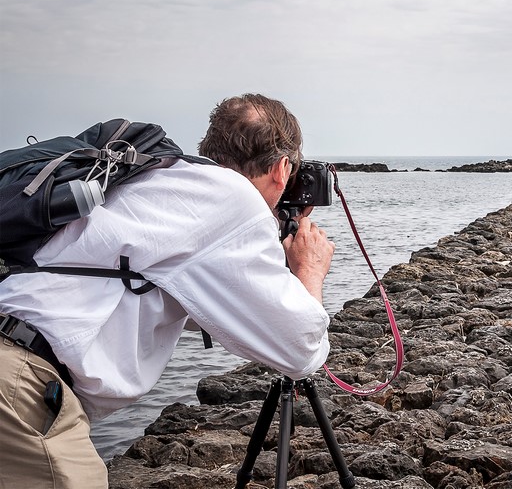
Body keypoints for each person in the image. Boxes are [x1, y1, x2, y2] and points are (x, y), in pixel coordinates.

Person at [0, 93, 335, 488]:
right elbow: (299, 350)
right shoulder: (234, 201)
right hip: (23, 385)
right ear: (282, 169)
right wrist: (308, 271)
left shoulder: (163, 177)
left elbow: (196, 305)